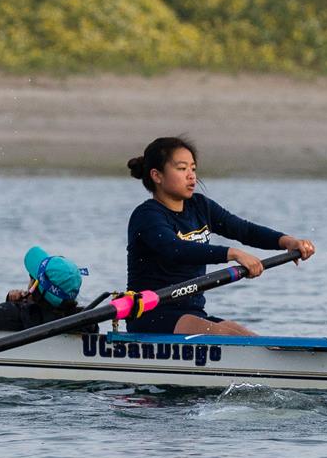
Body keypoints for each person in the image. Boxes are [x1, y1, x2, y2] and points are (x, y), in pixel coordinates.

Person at [124, 136, 315, 336]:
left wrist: (288, 242)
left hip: (192, 314)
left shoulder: (200, 206)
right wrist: (232, 254)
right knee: (228, 336)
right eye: (182, 169)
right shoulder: (147, 216)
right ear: (157, 175)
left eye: (193, 169)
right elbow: (175, 249)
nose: (191, 176)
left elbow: (244, 230)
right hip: (151, 316)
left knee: (249, 337)